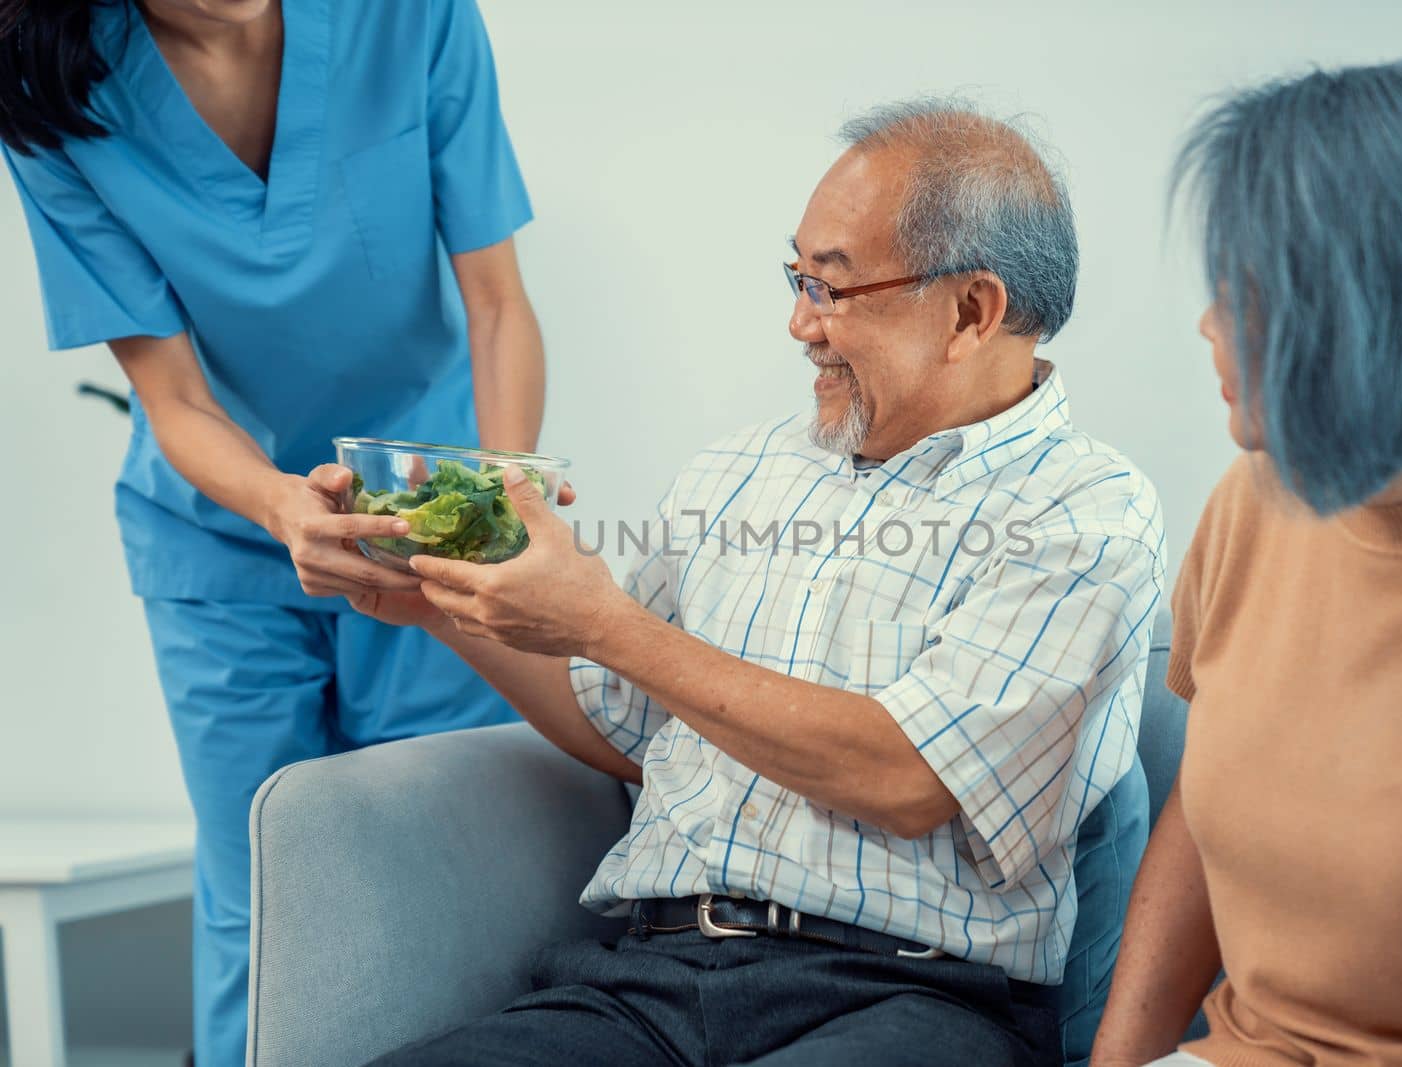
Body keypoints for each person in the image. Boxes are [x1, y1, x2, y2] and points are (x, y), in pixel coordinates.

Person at [347, 99, 1166, 1067]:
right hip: (648, 980)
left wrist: (607, 621)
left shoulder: (1085, 509)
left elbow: (907, 777)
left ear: (970, 312)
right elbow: (616, 723)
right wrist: (425, 591)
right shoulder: (739, 472)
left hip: (913, 995)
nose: (798, 323)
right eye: (797, 276)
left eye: (832, 288)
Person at [0, 1, 563, 1063]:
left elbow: (495, 303)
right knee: (258, 883)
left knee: (449, 859)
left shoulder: (410, 16)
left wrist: (499, 513)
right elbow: (172, 398)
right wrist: (278, 505)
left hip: (433, 510)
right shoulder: (48, 87)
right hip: (215, 533)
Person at [1090, 57, 1402, 1067]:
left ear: (1372, 325)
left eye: (1239, 293)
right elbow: (1199, 808)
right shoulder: (1256, 498)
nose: (1206, 322)